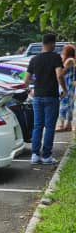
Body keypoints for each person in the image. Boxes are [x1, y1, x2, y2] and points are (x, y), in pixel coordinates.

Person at [24, 34, 67, 165]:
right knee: (49, 127)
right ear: (52, 43)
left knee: (37, 126)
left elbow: (25, 80)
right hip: (51, 96)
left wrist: (29, 90)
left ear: (43, 43)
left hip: (37, 97)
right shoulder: (55, 57)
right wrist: (64, 89)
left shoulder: (34, 59)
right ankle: (47, 156)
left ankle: (35, 155)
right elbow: (59, 75)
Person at [56, 44, 76, 132]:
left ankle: (62, 125)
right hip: (69, 85)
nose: (62, 52)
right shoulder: (71, 60)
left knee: (64, 105)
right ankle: (68, 125)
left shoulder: (69, 60)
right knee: (69, 105)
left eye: (64, 50)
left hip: (68, 85)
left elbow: (62, 72)